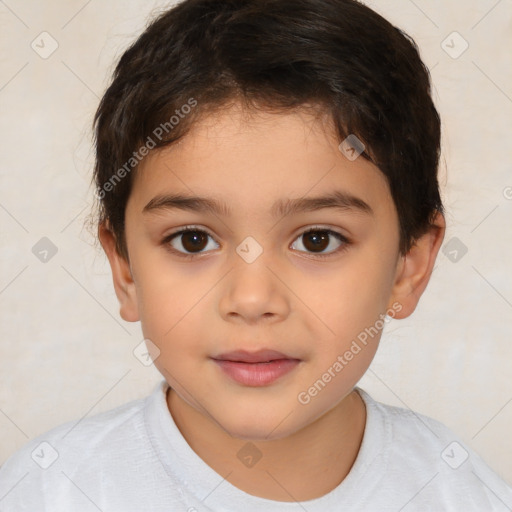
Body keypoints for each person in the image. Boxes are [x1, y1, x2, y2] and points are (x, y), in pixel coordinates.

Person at [1, 0, 511, 510]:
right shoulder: (49, 491)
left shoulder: (463, 493)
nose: (251, 299)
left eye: (317, 239)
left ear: (409, 266)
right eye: (192, 240)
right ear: (126, 269)